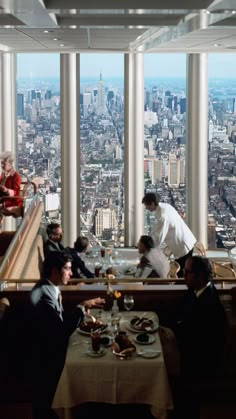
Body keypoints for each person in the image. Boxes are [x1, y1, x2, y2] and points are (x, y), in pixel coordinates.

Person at [29, 251, 105, 419]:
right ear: (55, 271)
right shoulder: (42, 296)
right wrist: (80, 307)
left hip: (48, 352)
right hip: (44, 362)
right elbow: (59, 331)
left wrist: (81, 310)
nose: (71, 273)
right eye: (68, 269)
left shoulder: (49, 288)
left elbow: (58, 322)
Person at [142, 192, 196, 277]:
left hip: (182, 244)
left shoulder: (163, 215)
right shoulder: (165, 206)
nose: (146, 208)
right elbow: (157, 229)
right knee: (182, 269)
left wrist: (149, 248)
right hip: (184, 240)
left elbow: (160, 236)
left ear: (152, 203)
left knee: (182, 272)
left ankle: (181, 289)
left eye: (147, 205)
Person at [0, 151, 22, 222]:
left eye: (4, 164)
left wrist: (7, 190)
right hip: (3, 198)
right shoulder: (3, 174)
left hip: (12, 201)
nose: (2, 165)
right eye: (1, 163)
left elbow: (16, 192)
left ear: (10, 163)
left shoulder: (16, 176)